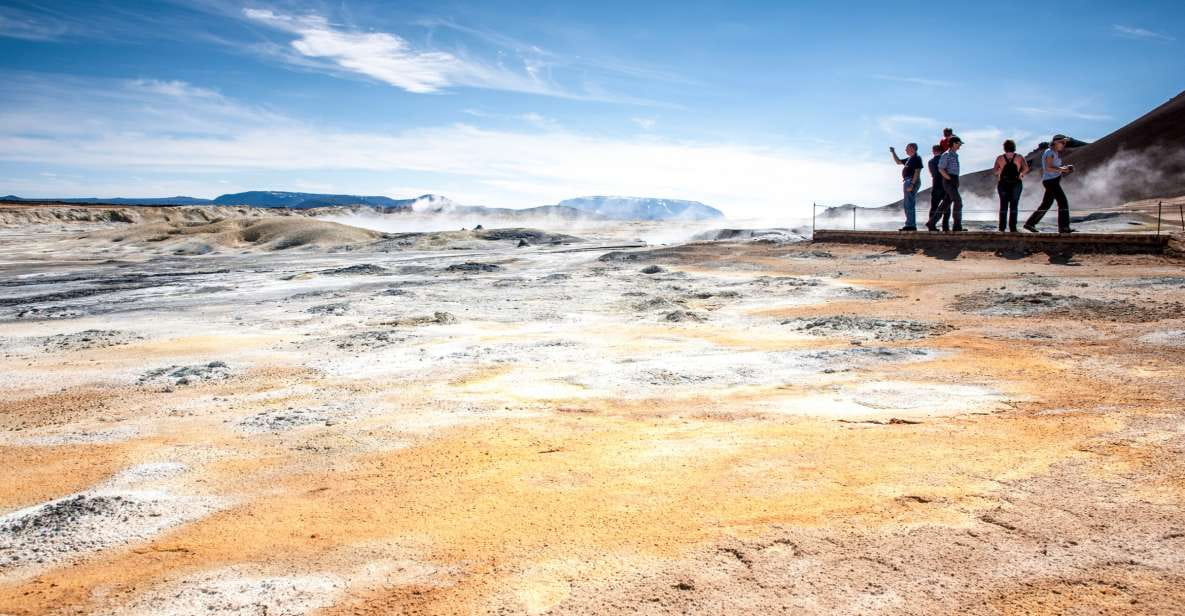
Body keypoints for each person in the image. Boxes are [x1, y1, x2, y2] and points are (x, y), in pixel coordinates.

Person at [1024, 134, 1075, 233]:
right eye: (1062, 142)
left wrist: (1064, 169)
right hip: (1051, 182)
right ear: (1056, 142)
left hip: (1052, 181)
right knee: (1063, 202)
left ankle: (1030, 224)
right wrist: (1063, 169)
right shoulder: (1050, 152)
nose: (1064, 145)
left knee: (1046, 204)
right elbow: (1048, 168)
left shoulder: (1053, 153)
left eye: (1064, 143)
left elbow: (1052, 168)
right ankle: (1064, 228)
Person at [927, 135, 964, 232]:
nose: (960, 146)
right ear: (954, 144)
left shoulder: (955, 155)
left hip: (954, 180)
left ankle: (931, 223)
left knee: (945, 204)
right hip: (949, 181)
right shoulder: (946, 155)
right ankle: (957, 226)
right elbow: (940, 168)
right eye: (959, 144)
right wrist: (949, 178)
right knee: (958, 202)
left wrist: (954, 180)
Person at [993, 139, 1029, 232]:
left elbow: (995, 172)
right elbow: (1026, 168)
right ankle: (1013, 228)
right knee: (1014, 205)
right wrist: (1020, 174)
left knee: (1003, 205)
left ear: (1004, 148)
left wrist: (1001, 171)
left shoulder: (1000, 158)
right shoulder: (1019, 157)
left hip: (1003, 184)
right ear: (1014, 147)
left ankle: (1002, 228)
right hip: (1016, 183)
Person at [889, 142, 924, 231]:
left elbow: (917, 171)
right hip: (908, 181)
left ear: (912, 148)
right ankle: (909, 224)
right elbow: (898, 162)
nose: (905, 150)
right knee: (907, 203)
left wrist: (912, 184)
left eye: (907, 148)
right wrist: (893, 152)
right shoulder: (909, 159)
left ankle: (911, 225)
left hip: (911, 181)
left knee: (909, 203)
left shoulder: (917, 158)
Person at [926, 144, 949, 231]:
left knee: (934, 206)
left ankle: (932, 225)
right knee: (947, 206)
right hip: (946, 185)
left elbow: (933, 174)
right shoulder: (945, 160)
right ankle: (945, 226)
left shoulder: (931, 162)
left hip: (936, 185)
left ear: (933, 151)